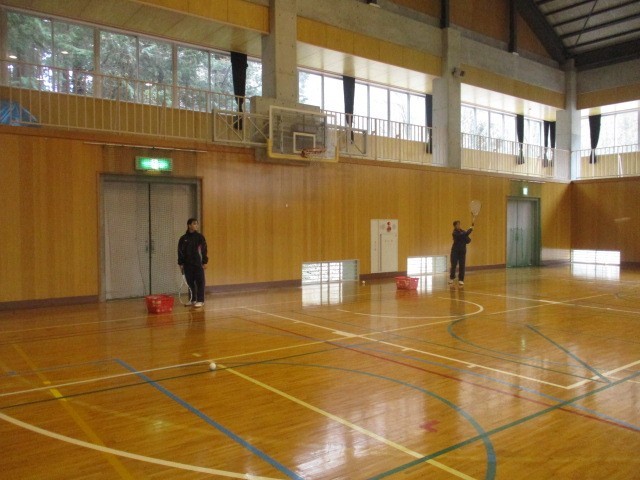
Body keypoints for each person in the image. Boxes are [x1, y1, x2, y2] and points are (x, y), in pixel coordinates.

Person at [178, 218, 208, 307]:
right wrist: (180, 263)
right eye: (194, 224)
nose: (196, 225)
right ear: (189, 225)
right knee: (190, 283)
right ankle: (193, 300)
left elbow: (204, 250)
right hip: (187, 264)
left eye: (197, 224)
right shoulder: (183, 239)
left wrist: (204, 261)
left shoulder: (200, 237)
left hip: (198, 264)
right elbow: (180, 251)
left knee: (200, 282)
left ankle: (200, 300)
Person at [449, 220, 473, 286]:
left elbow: (468, 240)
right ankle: (452, 278)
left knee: (462, 265)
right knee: (453, 265)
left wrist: (468, 232)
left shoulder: (463, 232)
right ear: (454, 226)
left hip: (462, 251)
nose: (458, 226)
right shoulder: (454, 233)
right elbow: (462, 235)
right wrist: (470, 230)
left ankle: (461, 280)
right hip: (455, 251)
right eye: (457, 225)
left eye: (459, 224)